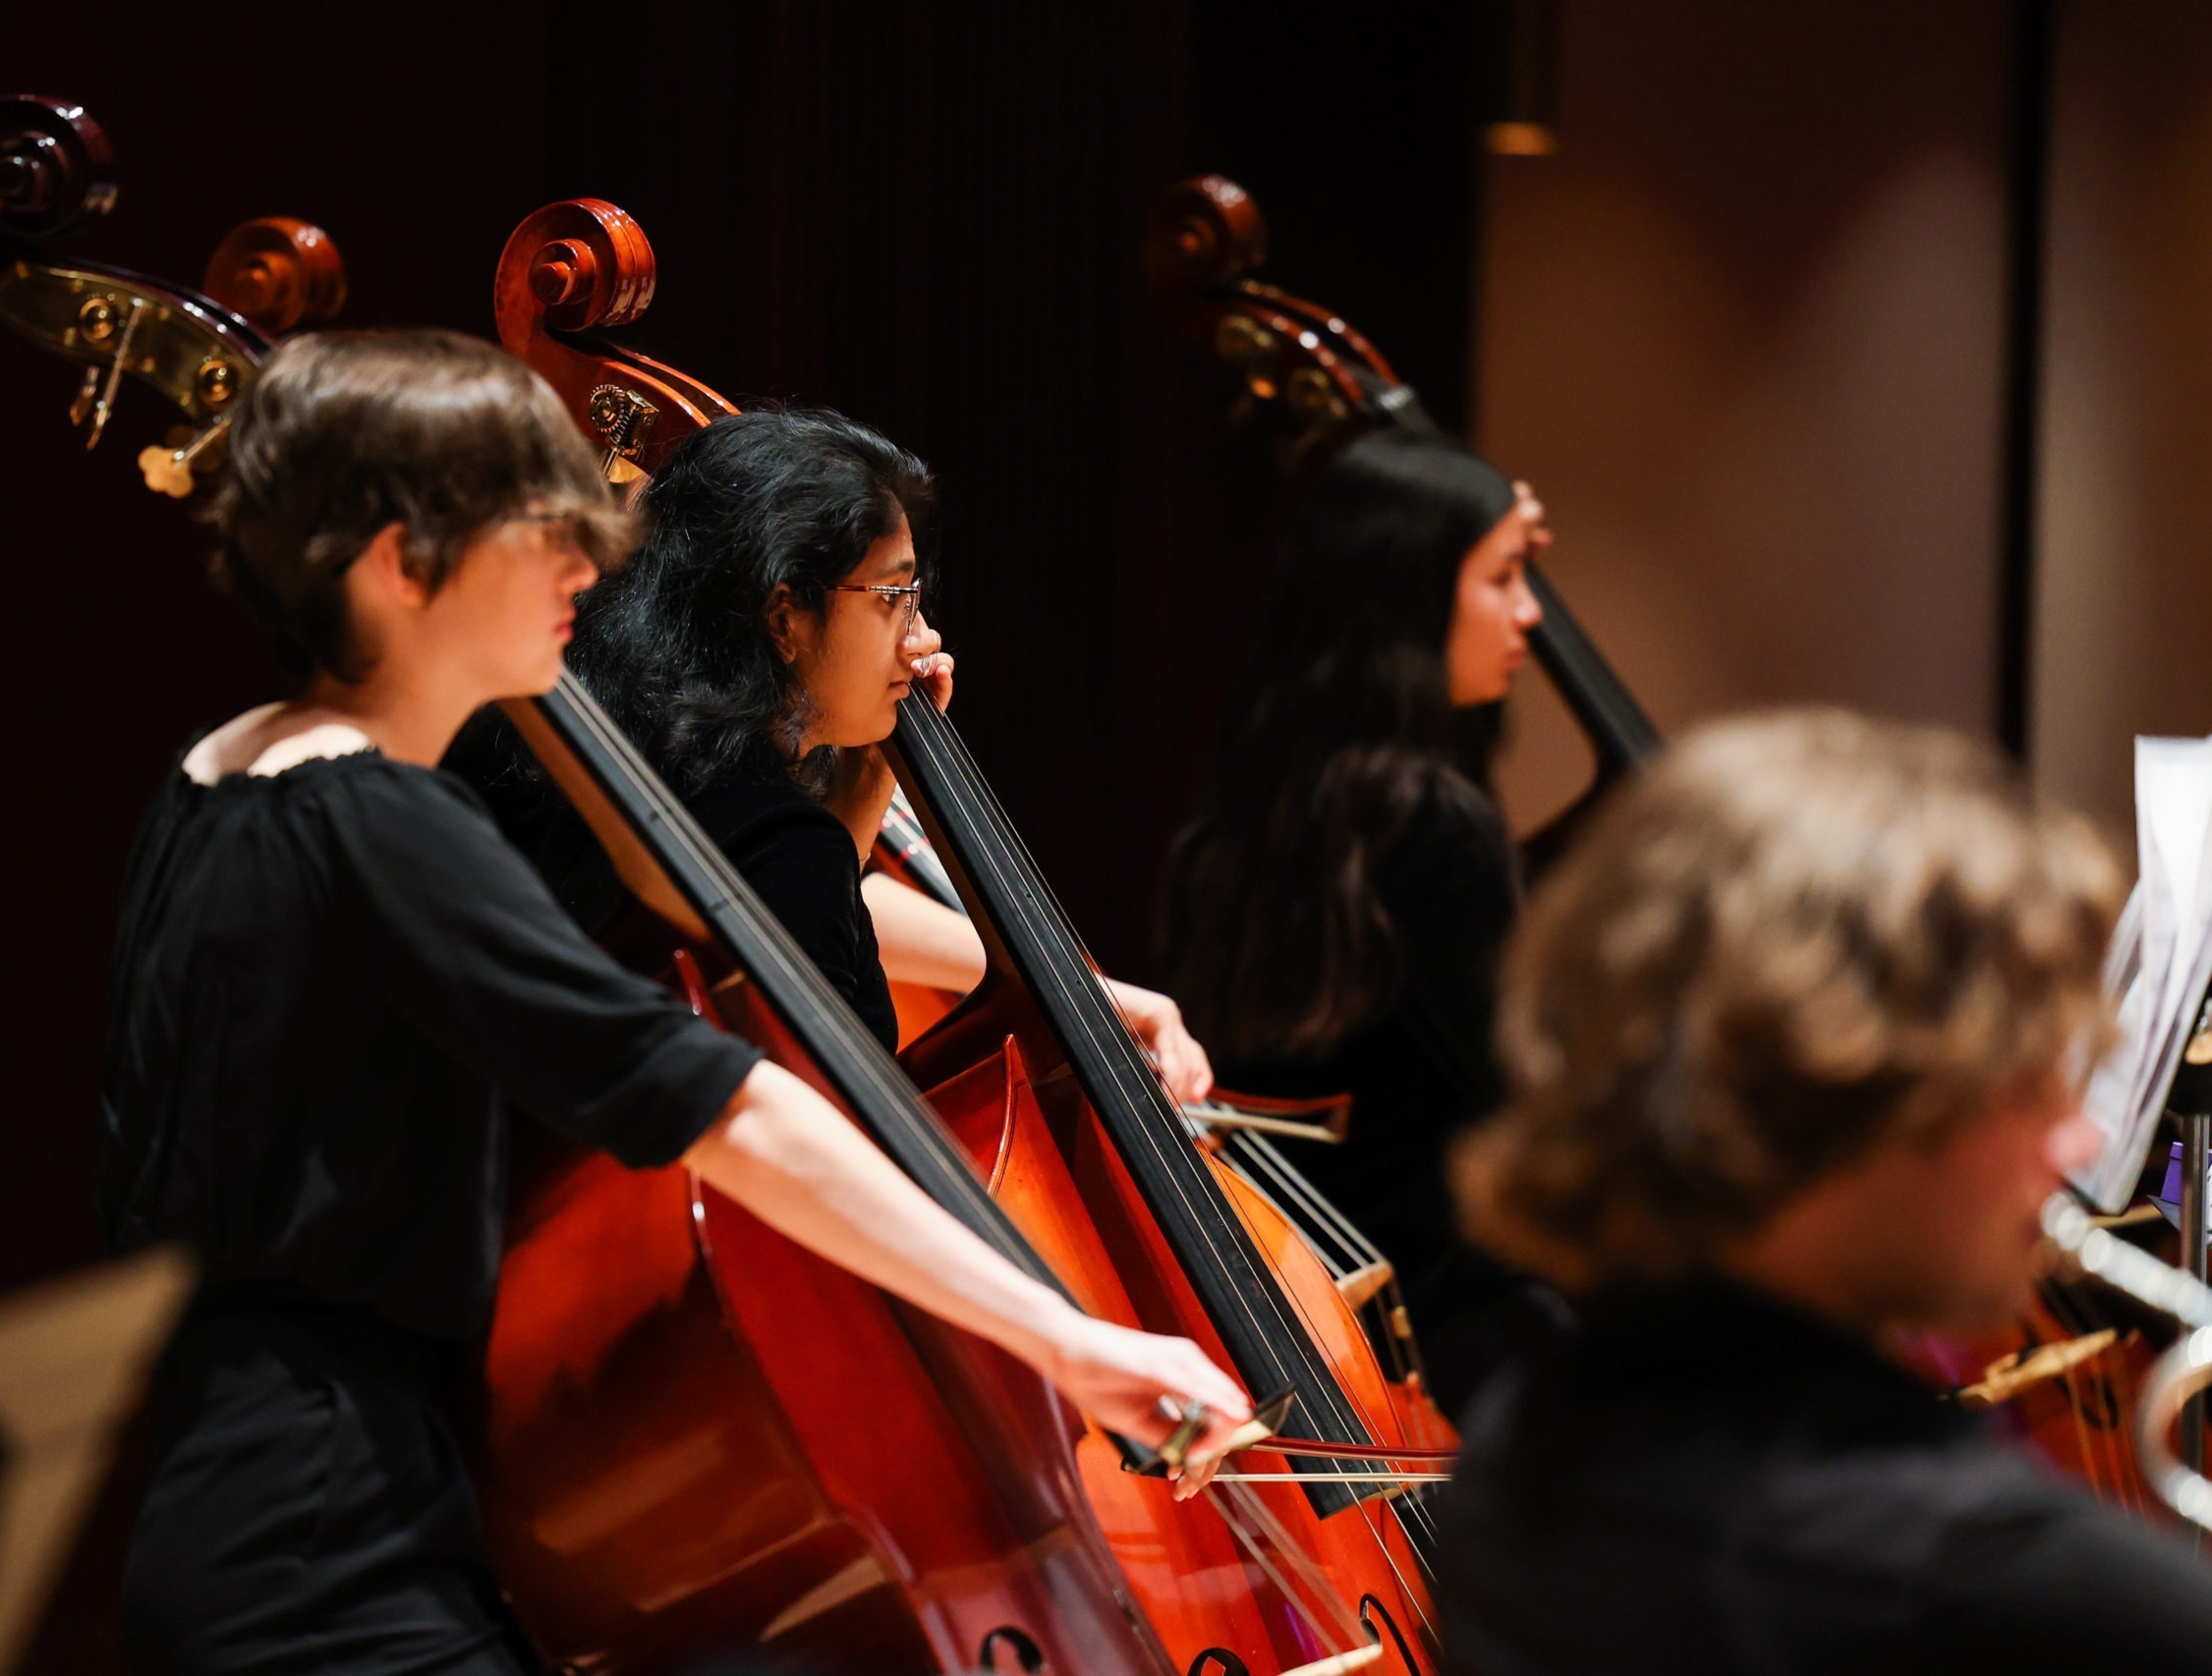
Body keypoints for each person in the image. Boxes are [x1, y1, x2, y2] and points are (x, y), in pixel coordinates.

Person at [98, 330, 1251, 1676]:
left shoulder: (232, 773)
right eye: (543, 536)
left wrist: (1068, 980)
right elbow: (723, 1099)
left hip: (274, 1494)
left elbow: (709, 914)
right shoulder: (375, 819)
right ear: (397, 566)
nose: (590, 571)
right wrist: (1064, 1334)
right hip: (327, 1548)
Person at [1436, 707, 2212, 1674]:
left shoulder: (1507, 1454)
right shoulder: (2007, 1585)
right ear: (1853, 1087)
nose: (2080, 1134)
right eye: (2030, 1077)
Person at [448, 407, 1213, 1097]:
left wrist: (874, 770)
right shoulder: (777, 833)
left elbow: (778, 924)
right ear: (784, 618)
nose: (921, 641)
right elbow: (842, 1103)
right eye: (892, 598)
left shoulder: (558, 720)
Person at [1158, 427, 1555, 1412]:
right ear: (1416, 592)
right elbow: (1527, 1104)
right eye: (1503, 576)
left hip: (1300, 1320)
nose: (1530, 612)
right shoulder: (1433, 819)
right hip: (1454, 1335)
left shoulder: (1250, 815)